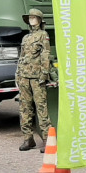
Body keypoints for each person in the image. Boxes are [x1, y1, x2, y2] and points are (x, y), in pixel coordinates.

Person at [16, 8, 53, 151]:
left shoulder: (43, 35)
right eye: (30, 18)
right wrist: (18, 75)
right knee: (25, 108)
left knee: (41, 108)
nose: (31, 20)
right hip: (24, 77)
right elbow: (22, 57)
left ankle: (46, 140)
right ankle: (28, 139)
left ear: (39, 20)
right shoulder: (25, 38)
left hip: (37, 77)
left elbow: (45, 55)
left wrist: (44, 74)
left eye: (34, 17)